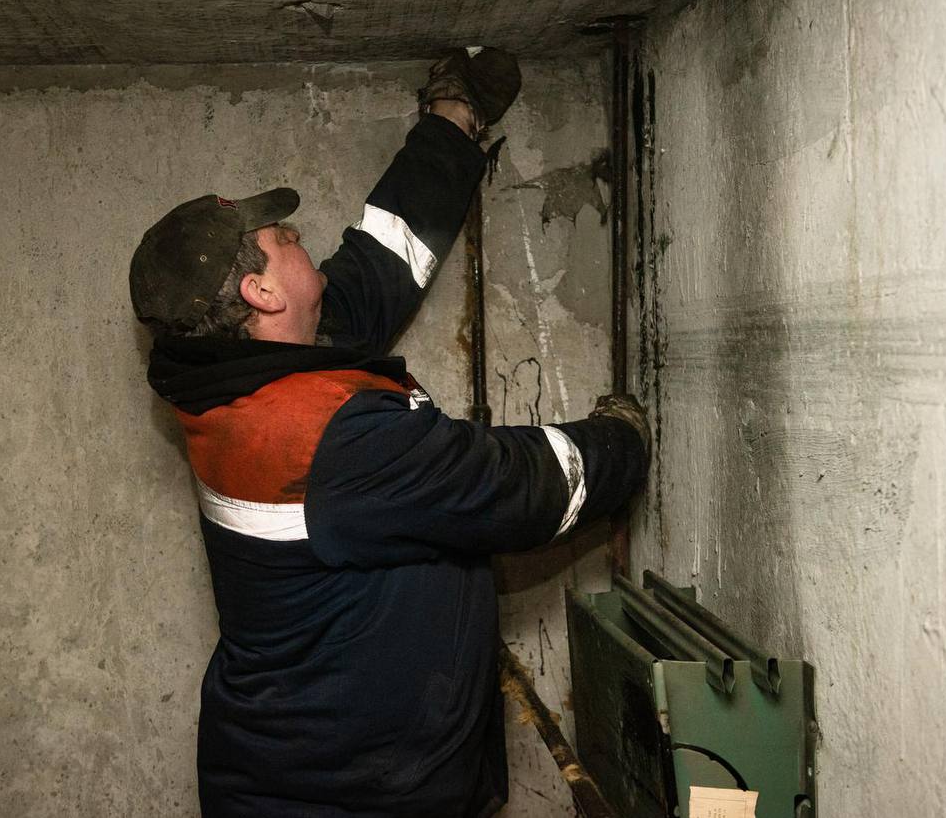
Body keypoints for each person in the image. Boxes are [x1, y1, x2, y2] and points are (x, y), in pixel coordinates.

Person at [129, 48, 649, 818]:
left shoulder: (233, 374)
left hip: (312, 767)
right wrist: (622, 440)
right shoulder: (325, 439)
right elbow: (513, 488)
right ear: (261, 290)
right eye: (281, 236)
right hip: (341, 799)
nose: (296, 234)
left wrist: (452, 122)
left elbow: (377, 268)